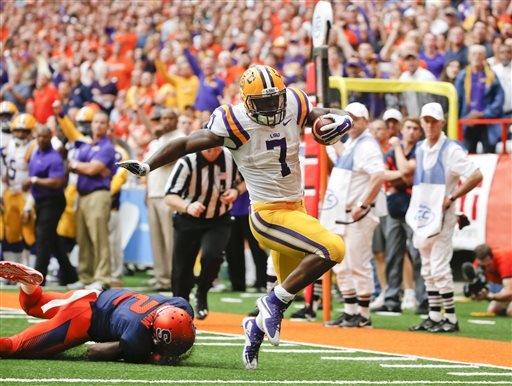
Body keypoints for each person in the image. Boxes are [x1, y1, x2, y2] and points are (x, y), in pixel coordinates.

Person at [118, 65, 352, 369]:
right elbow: (189, 142)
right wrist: (148, 165)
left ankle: (255, 326)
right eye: (263, 102)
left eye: (274, 99)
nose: (271, 107)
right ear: (246, 101)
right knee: (332, 249)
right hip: (269, 216)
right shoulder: (234, 121)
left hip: (296, 211)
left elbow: (318, 113)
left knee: (287, 286)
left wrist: (338, 117)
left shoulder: (292, 100)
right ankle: (271, 304)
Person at [0, 261, 195, 363]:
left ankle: (28, 284)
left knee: (34, 304)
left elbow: (180, 317)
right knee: (14, 347)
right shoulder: (137, 335)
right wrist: (148, 353)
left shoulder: (179, 304)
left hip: (93, 295)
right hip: (81, 318)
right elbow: (93, 351)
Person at [407, 103, 483, 333]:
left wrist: (451, 197)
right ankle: (433, 315)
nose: (429, 125)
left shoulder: (450, 149)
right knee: (427, 268)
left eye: (434, 121)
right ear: (422, 122)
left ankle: (449, 318)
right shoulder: (420, 148)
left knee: (438, 267)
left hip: (442, 215)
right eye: (426, 121)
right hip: (423, 215)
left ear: (441, 122)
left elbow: (476, 175)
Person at [321, 103, 385, 328]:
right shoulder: (355, 143)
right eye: (349, 118)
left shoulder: (367, 145)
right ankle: (350, 311)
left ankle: (364, 314)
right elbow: (343, 159)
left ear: (365, 121)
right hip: (342, 214)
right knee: (343, 265)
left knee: (358, 263)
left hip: (356, 214)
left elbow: (378, 175)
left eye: (356, 119)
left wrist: (364, 204)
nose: (353, 122)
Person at [164, 145, 244, 319]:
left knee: (213, 255)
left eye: (217, 149)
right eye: (209, 150)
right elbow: (169, 195)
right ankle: (180, 304)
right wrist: (187, 206)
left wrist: (236, 191)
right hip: (188, 218)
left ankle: (202, 292)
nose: (214, 153)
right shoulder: (187, 162)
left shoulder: (231, 158)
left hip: (219, 218)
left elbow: (248, 179)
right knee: (182, 267)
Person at [375, 117, 427, 314]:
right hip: (395, 208)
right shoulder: (391, 153)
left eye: (415, 128)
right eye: (408, 128)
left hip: (415, 208)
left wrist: (397, 148)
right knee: (393, 254)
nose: (411, 131)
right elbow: (385, 175)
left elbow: (406, 170)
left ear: (419, 132)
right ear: (402, 130)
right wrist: (403, 177)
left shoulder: (420, 150)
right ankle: (391, 298)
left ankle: (423, 299)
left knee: (417, 254)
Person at [21, 126, 77, 286]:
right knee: (52, 239)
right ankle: (70, 275)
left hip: (53, 201)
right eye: (39, 136)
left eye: (45, 137)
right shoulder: (35, 153)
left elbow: (58, 182)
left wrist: (34, 180)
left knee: (43, 238)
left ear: (50, 137)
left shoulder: (54, 157)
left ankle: (38, 277)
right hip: (39, 201)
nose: (41, 140)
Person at [455, 44, 504, 153]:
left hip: (487, 122)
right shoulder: (463, 76)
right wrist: (462, 118)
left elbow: (499, 98)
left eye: (480, 54)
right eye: (474, 54)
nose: (476, 57)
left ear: (484, 57)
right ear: (469, 57)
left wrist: (483, 114)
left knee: (490, 155)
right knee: (468, 156)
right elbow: (457, 100)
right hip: (468, 122)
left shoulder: (491, 75)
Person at [473, 244, 512, 316]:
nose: (486, 268)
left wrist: (490, 296)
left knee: (510, 312)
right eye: (483, 266)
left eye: (488, 265)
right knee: (493, 310)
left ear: (492, 258)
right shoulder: (477, 265)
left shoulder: (503, 260)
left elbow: (510, 293)